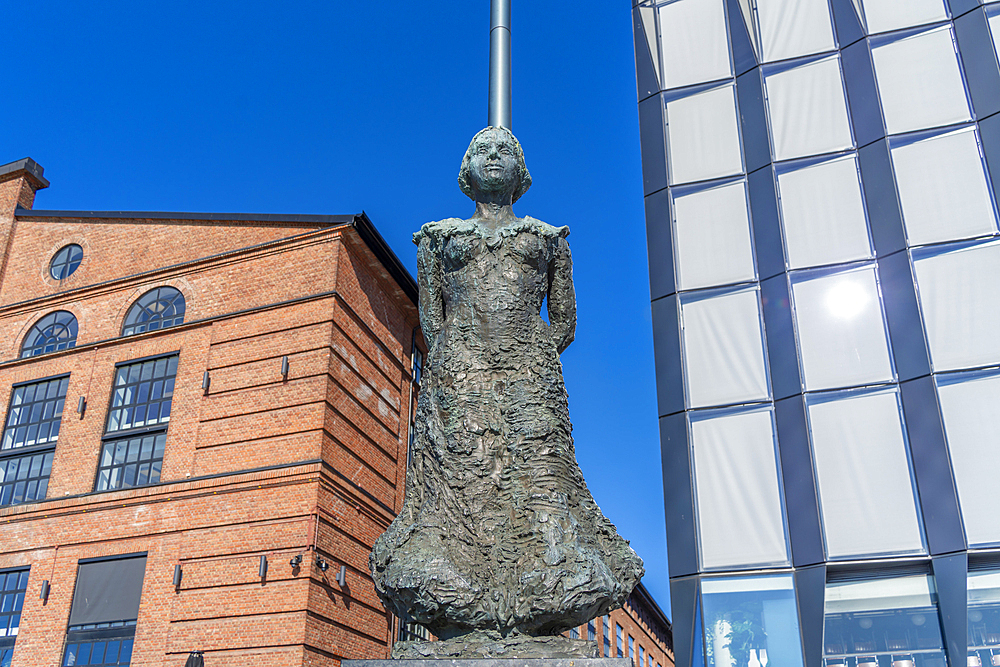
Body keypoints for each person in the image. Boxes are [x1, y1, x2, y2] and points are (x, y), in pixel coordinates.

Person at [370, 126, 642, 643]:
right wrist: (459, 364)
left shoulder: (544, 239)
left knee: (539, 478)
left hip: (528, 378)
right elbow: (432, 317)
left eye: (505, 151)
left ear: (521, 173)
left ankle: (542, 594)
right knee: (460, 480)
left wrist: (528, 357)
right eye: (482, 150)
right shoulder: (440, 237)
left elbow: (563, 320)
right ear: (465, 170)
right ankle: (460, 593)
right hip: (460, 375)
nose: (493, 158)